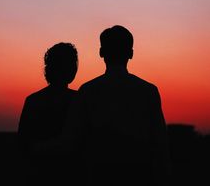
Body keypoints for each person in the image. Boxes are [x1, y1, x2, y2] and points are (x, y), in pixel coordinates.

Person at [68, 25, 171, 186]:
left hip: (99, 175)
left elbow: (73, 140)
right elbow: (160, 144)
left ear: (101, 53)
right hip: (140, 175)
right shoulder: (149, 91)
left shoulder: (87, 91)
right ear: (131, 54)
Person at [17, 42, 78, 184]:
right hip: (69, 173)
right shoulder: (79, 100)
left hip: (39, 172)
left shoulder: (33, 100)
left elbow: (23, 143)